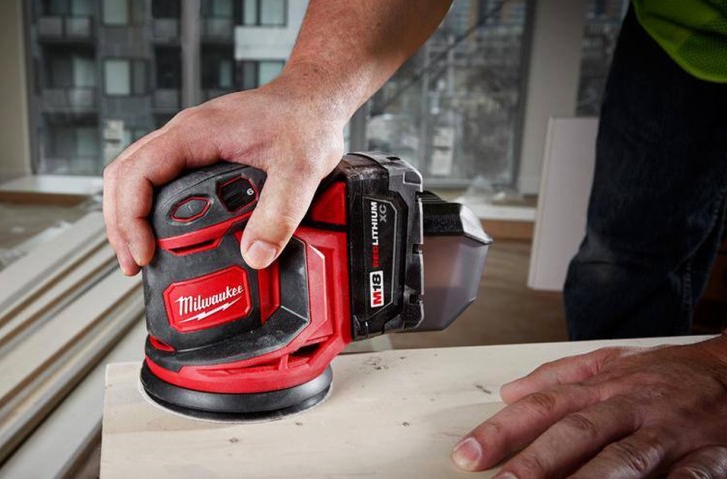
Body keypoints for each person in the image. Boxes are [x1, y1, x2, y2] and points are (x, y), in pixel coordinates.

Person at [103, 0, 727, 476]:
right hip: (675, 33)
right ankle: (617, 377)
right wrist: (309, 93)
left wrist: (716, 371)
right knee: (620, 257)